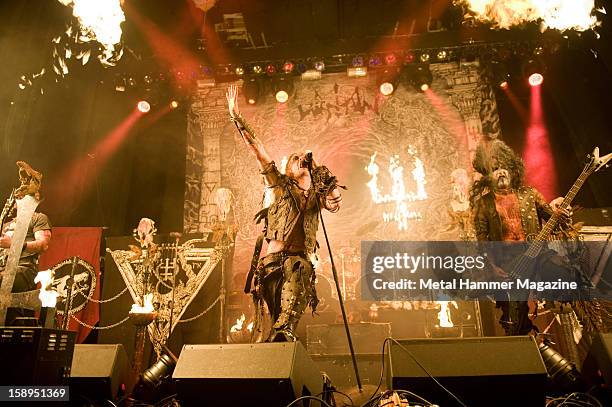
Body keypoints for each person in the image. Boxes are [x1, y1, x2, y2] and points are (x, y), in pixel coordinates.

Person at [226, 84, 343, 342]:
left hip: (298, 263)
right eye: (295, 158)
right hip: (270, 264)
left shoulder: (316, 196)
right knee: (276, 321)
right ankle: (277, 359)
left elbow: (335, 199)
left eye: (303, 158)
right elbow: (257, 150)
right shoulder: (278, 186)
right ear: (287, 168)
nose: (300, 159)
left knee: (285, 324)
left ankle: (281, 352)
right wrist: (237, 117)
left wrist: (316, 166)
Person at [469, 137, 576, 335]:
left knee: (559, 270)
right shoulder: (483, 204)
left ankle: (561, 301)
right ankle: (523, 351)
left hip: (538, 253)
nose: (500, 172)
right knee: (515, 320)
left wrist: (562, 214)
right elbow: (482, 243)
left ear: (512, 168)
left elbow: (554, 221)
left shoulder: (530, 194)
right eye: (494, 169)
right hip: (508, 263)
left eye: (503, 167)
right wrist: (492, 268)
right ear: (487, 176)